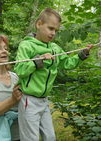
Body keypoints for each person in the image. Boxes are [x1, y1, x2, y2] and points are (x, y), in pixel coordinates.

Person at [14, 8, 94, 141]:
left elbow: (68, 63)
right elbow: (20, 71)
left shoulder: (54, 48)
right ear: (38, 25)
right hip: (29, 99)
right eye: (50, 28)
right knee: (30, 138)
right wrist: (38, 60)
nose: (53, 33)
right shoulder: (26, 46)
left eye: (56, 30)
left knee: (50, 137)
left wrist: (83, 54)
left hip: (44, 100)